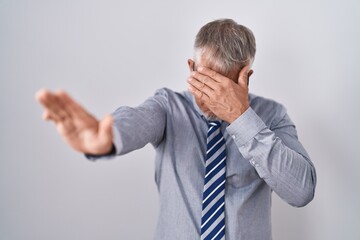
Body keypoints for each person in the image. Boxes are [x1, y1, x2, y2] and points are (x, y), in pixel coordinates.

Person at [35, 18, 317, 240]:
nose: (213, 100)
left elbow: (301, 191)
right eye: (205, 83)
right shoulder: (169, 106)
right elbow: (137, 119)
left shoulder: (272, 115)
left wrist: (241, 117)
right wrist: (105, 138)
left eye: (225, 88)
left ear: (247, 77)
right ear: (192, 67)